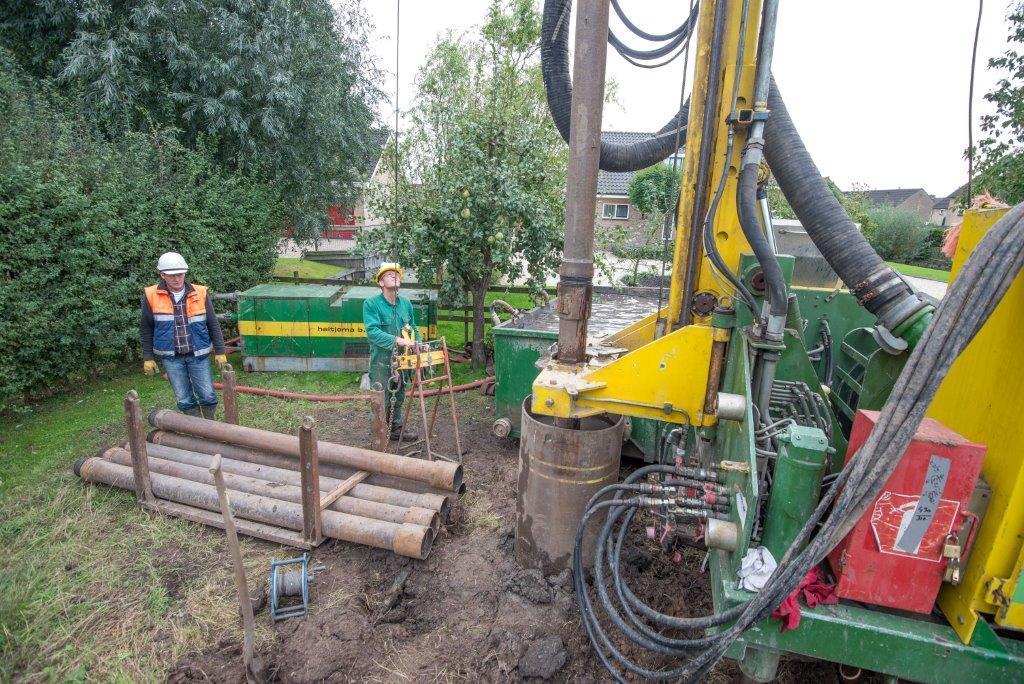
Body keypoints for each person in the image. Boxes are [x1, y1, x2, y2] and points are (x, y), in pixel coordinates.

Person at [140, 252, 227, 418]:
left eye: (180, 275)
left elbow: (213, 323)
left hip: (198, 354)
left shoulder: (200, 293)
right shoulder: (151, 295)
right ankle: (195, 427)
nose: (177, 279)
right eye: (172, 276)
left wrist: (220, 351)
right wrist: (148, 357)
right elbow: (146, 328)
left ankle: (210, 426)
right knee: (184, 398)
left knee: (208, 395)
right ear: (162, 275)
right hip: (171, 358)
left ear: (185, 273)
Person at [363, 262, 420, 441]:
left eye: (397, 274)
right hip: (382, 358)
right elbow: (372, 332)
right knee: (381, 395)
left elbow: (413, 328)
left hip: (402, 359)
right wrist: (396, 340)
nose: (395, 276)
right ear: (381, 282)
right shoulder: (371, 304)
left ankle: (396, 428)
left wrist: (418, 343)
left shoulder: (406, 304)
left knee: (399, 393)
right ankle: (378, 431)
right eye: (389, 274)